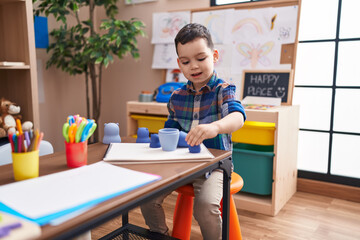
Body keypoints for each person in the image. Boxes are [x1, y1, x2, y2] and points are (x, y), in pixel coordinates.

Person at [140, 23, 246, 240]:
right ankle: (161, 235)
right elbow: (170, 130)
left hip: (214, 166)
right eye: (186, 62)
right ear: (179, 64)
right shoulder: (177, 96)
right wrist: (158, 141)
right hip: (182, 163)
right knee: (146, 196)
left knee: (205, 206)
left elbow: (238, 117)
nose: (194, 66)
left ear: (214, 56)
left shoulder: (224, 90)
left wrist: (215, 127)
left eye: (201, 58)